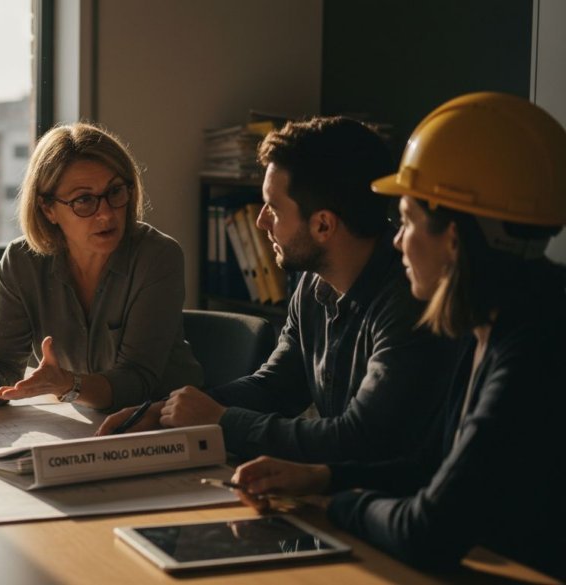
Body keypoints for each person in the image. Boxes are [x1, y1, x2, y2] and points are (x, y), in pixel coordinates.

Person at [228, 93, 566, 579]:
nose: (396, 239)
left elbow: (426, 530)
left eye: (405, 221)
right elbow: (429, 465)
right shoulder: (496, 322)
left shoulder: (532, 352)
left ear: (452, 237)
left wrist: (334, 502)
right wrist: (322, 475)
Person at [99, 116, 456, 464]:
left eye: (273, 207)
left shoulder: (412, 301)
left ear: (323, 225)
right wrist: (165, 411)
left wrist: (221, 421)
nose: (260, 220)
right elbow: (278, 385)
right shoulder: (313, 282)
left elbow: (358, 438)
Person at [0, 122, 203, 411]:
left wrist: (69, 385)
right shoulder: (22, 261)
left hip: (164, 422)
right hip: (85, 420)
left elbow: (138, 383)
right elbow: (0, 366)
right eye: (84, 200)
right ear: (48, 208)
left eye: (115, 192)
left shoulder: (157, 255)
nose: (106, 214)